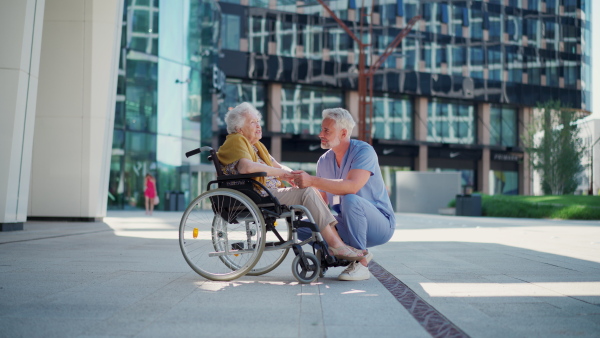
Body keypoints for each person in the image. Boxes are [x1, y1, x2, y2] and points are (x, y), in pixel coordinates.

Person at [216, 102, 364, 262]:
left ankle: (335, 244)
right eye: (253, 122)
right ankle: (336, 245)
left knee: (309, 190)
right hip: (257, 195)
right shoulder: (236, 140)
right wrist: (283, 174)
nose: (258, 126)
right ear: (239, 129)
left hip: (265, 194)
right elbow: (246, 167)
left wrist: (292, 176)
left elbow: (277, 166)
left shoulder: (256, 146)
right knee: (307, 192)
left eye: (258, 121)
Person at [293, 108, 396, 281]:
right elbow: (322, 201)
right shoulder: (324, 161)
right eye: (321, 129)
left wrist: (311, 180)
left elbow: (352, 186)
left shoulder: (364, 151)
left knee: (350, 199)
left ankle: (360, 264)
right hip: (348, 223)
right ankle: (329, 255)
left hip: (380, 224)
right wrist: (299, 188)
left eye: (326, 130)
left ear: (343, 133)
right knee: (302, 227)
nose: (320, 134)